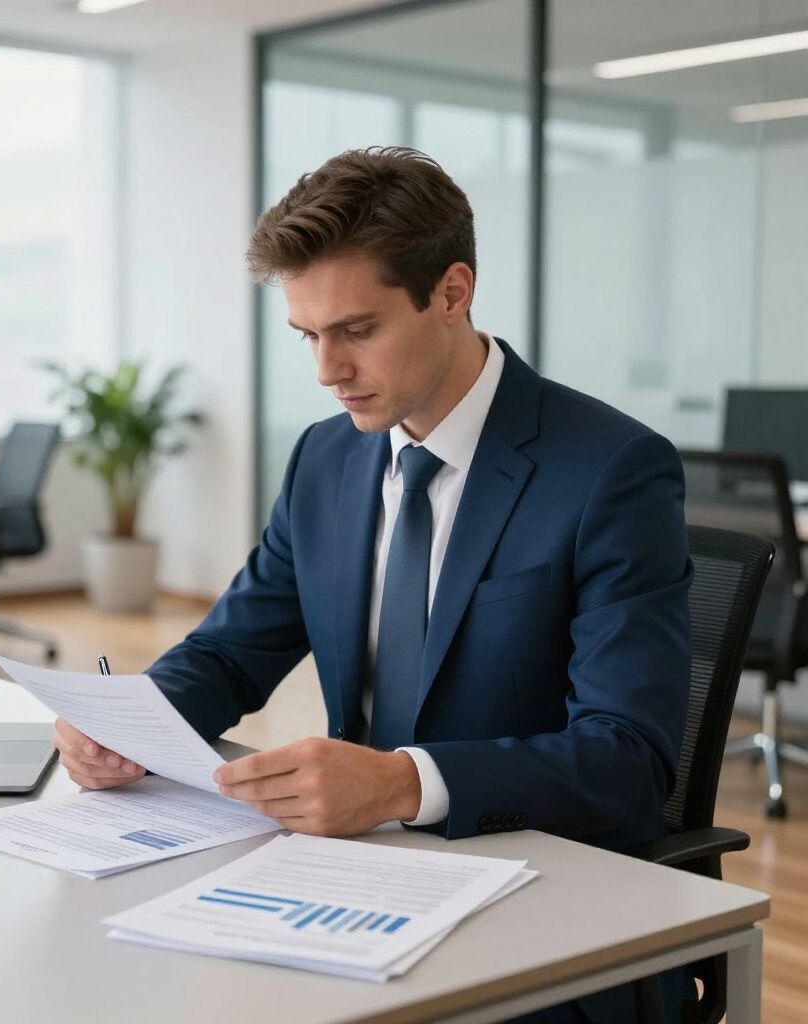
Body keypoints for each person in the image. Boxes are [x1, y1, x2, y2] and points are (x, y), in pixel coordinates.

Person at [52, 147, 694, 1023]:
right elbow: (233, 651)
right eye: (308, 336)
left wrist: (400, 783)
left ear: (453, 293)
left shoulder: (610, 470)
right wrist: (131, 723)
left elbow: (630, 760)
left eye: (356, 330)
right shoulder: (326, 458)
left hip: (538, 908)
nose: (326, 370)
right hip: (348, 891)